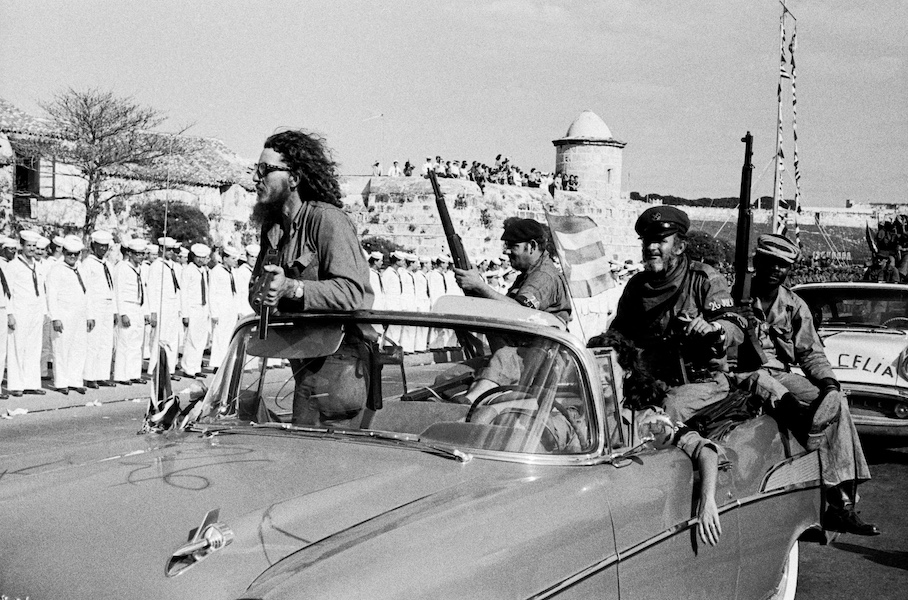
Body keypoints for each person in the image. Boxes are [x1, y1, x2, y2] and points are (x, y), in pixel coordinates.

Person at [589, 206, 747, 547]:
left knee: (664, 417)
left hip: (701, 382)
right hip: (652, 380)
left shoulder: (704, 279)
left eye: (660, 240)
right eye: (647, 241)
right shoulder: (636, 287)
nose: (651, 248)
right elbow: (618, 336)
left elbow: (735, 325)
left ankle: (653, 506)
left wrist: (715, 329)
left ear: (679, 245)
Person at [736, 234, 879, 535]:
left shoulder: (793, 305)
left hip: (778, 373)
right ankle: (807, 435)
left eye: (783, 266)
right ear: (756, 262)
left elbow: (810, 352)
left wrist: (828, 383)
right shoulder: (733, 294)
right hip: (739, 373)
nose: (776, 270)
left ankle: (842, 504)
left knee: (835, 402)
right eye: (771, 263)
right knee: (776, 392)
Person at [251, 129, 372, 427]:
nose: (257, 178)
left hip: (338, 362)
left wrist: (292, 287)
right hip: (302, 357)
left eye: (266, 170)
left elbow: (354, 292)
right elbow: (259, 291)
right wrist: (263, 294)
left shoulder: (327, 220)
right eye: (256, 170)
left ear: (294, 178)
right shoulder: (274, 229)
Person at [453, 218, 572, 403]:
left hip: (536, 360)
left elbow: (521, 312)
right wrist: (474, 288)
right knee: (451, 378)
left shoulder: (543, 276)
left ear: (531, 246)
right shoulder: (528, 275)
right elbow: (503, 307)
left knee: (498, 365)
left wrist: (480, 286)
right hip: (518, 356)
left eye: (513, 246)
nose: (507, 251)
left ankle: (467, 406)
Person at [45, 236, 91, 394]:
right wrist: (55, 317)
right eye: (69, 254)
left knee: (78, 348)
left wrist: (89, 315)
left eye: (76, 254)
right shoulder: (57, 270)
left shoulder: (81, 269)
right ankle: (61, 382)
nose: (72, 257)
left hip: (79, 315)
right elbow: (51, 295)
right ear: (64, 252)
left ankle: (75, 380)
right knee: (62, 349)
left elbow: (87, 293)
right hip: (64, 314)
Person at [5, 230, 48, 396]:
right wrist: (9, 313)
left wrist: (44, 311)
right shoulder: (13, 266)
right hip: (20, 310)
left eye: (34, 246)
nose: (32, 249)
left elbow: (41, 290)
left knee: (34, 346)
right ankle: (16, 385)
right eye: (28, 246)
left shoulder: (37, 265)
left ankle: (31, 383)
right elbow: (8, 292)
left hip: (35, 310)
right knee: (18, 346)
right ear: (21, 246)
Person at [81, 230, 117, 388]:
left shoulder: (108, 265)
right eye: (100, 246)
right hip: (95, 305)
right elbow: (86, 291)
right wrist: (89, 314)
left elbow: (112, 289)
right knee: (93, 342)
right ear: (93, 246)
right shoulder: (87, 264)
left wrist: (115, 310)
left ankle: (102, 374)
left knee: (106, 342)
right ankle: (90, 376)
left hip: (108, 305)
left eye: (105, 246)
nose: (103, 249)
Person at [113, 238, 149, 385]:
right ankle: (122, 375)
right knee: (124, 341)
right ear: (130, 253)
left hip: (138, 307)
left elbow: (144, 291)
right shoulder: (122, 267)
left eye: (142, 254)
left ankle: (134, 373)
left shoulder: (141, 269)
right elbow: (118, 292)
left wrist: (145, 311)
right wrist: (122, 313)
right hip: (127, 306)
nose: (140, 257)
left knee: (136, 341)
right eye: (137, 254)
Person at [146, 236, 183, 379]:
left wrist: (179, 307)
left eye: (172, 250)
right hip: (161, 305)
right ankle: (154, 370)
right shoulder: (156, 266)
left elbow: (178, 289)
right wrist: (153, 311)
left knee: (172, 339)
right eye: (167, 250)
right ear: (161, 249)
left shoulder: (174, 266)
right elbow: (152, 289)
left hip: (173, 305)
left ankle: (170, 370)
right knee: (159, 339)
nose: (170, 252)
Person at [179, 243, 212, 378]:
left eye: (203, 258)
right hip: (193, 307)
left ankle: (196, 366)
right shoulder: (188, 270)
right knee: (191, 339)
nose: (200, 260)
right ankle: (188, 368)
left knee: (201, 339)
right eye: (198, 257)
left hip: (203, 308)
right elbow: (184, 293)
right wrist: (185, 314)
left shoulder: (204, 270)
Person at [208, 245, 242, 370]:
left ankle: (226, 363)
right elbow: (212, 292)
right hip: (221, 308)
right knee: (220, 337)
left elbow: (236, 292)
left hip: (231, 308)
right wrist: (214, 313)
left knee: (229, 336)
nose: (235, 261)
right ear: (225, 258)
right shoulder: (216, 271)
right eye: (232, 258)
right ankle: (218, 364)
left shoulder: (233, 271)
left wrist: (238, 310)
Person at [234, 244, 259, 317]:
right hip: (244, 308)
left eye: (256, 257)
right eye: (251, 256)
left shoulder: (256, 271)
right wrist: (239, 310)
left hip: (254, 307)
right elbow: (238, 292)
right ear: (247, 256)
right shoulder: (242, 271)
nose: (254, 259)